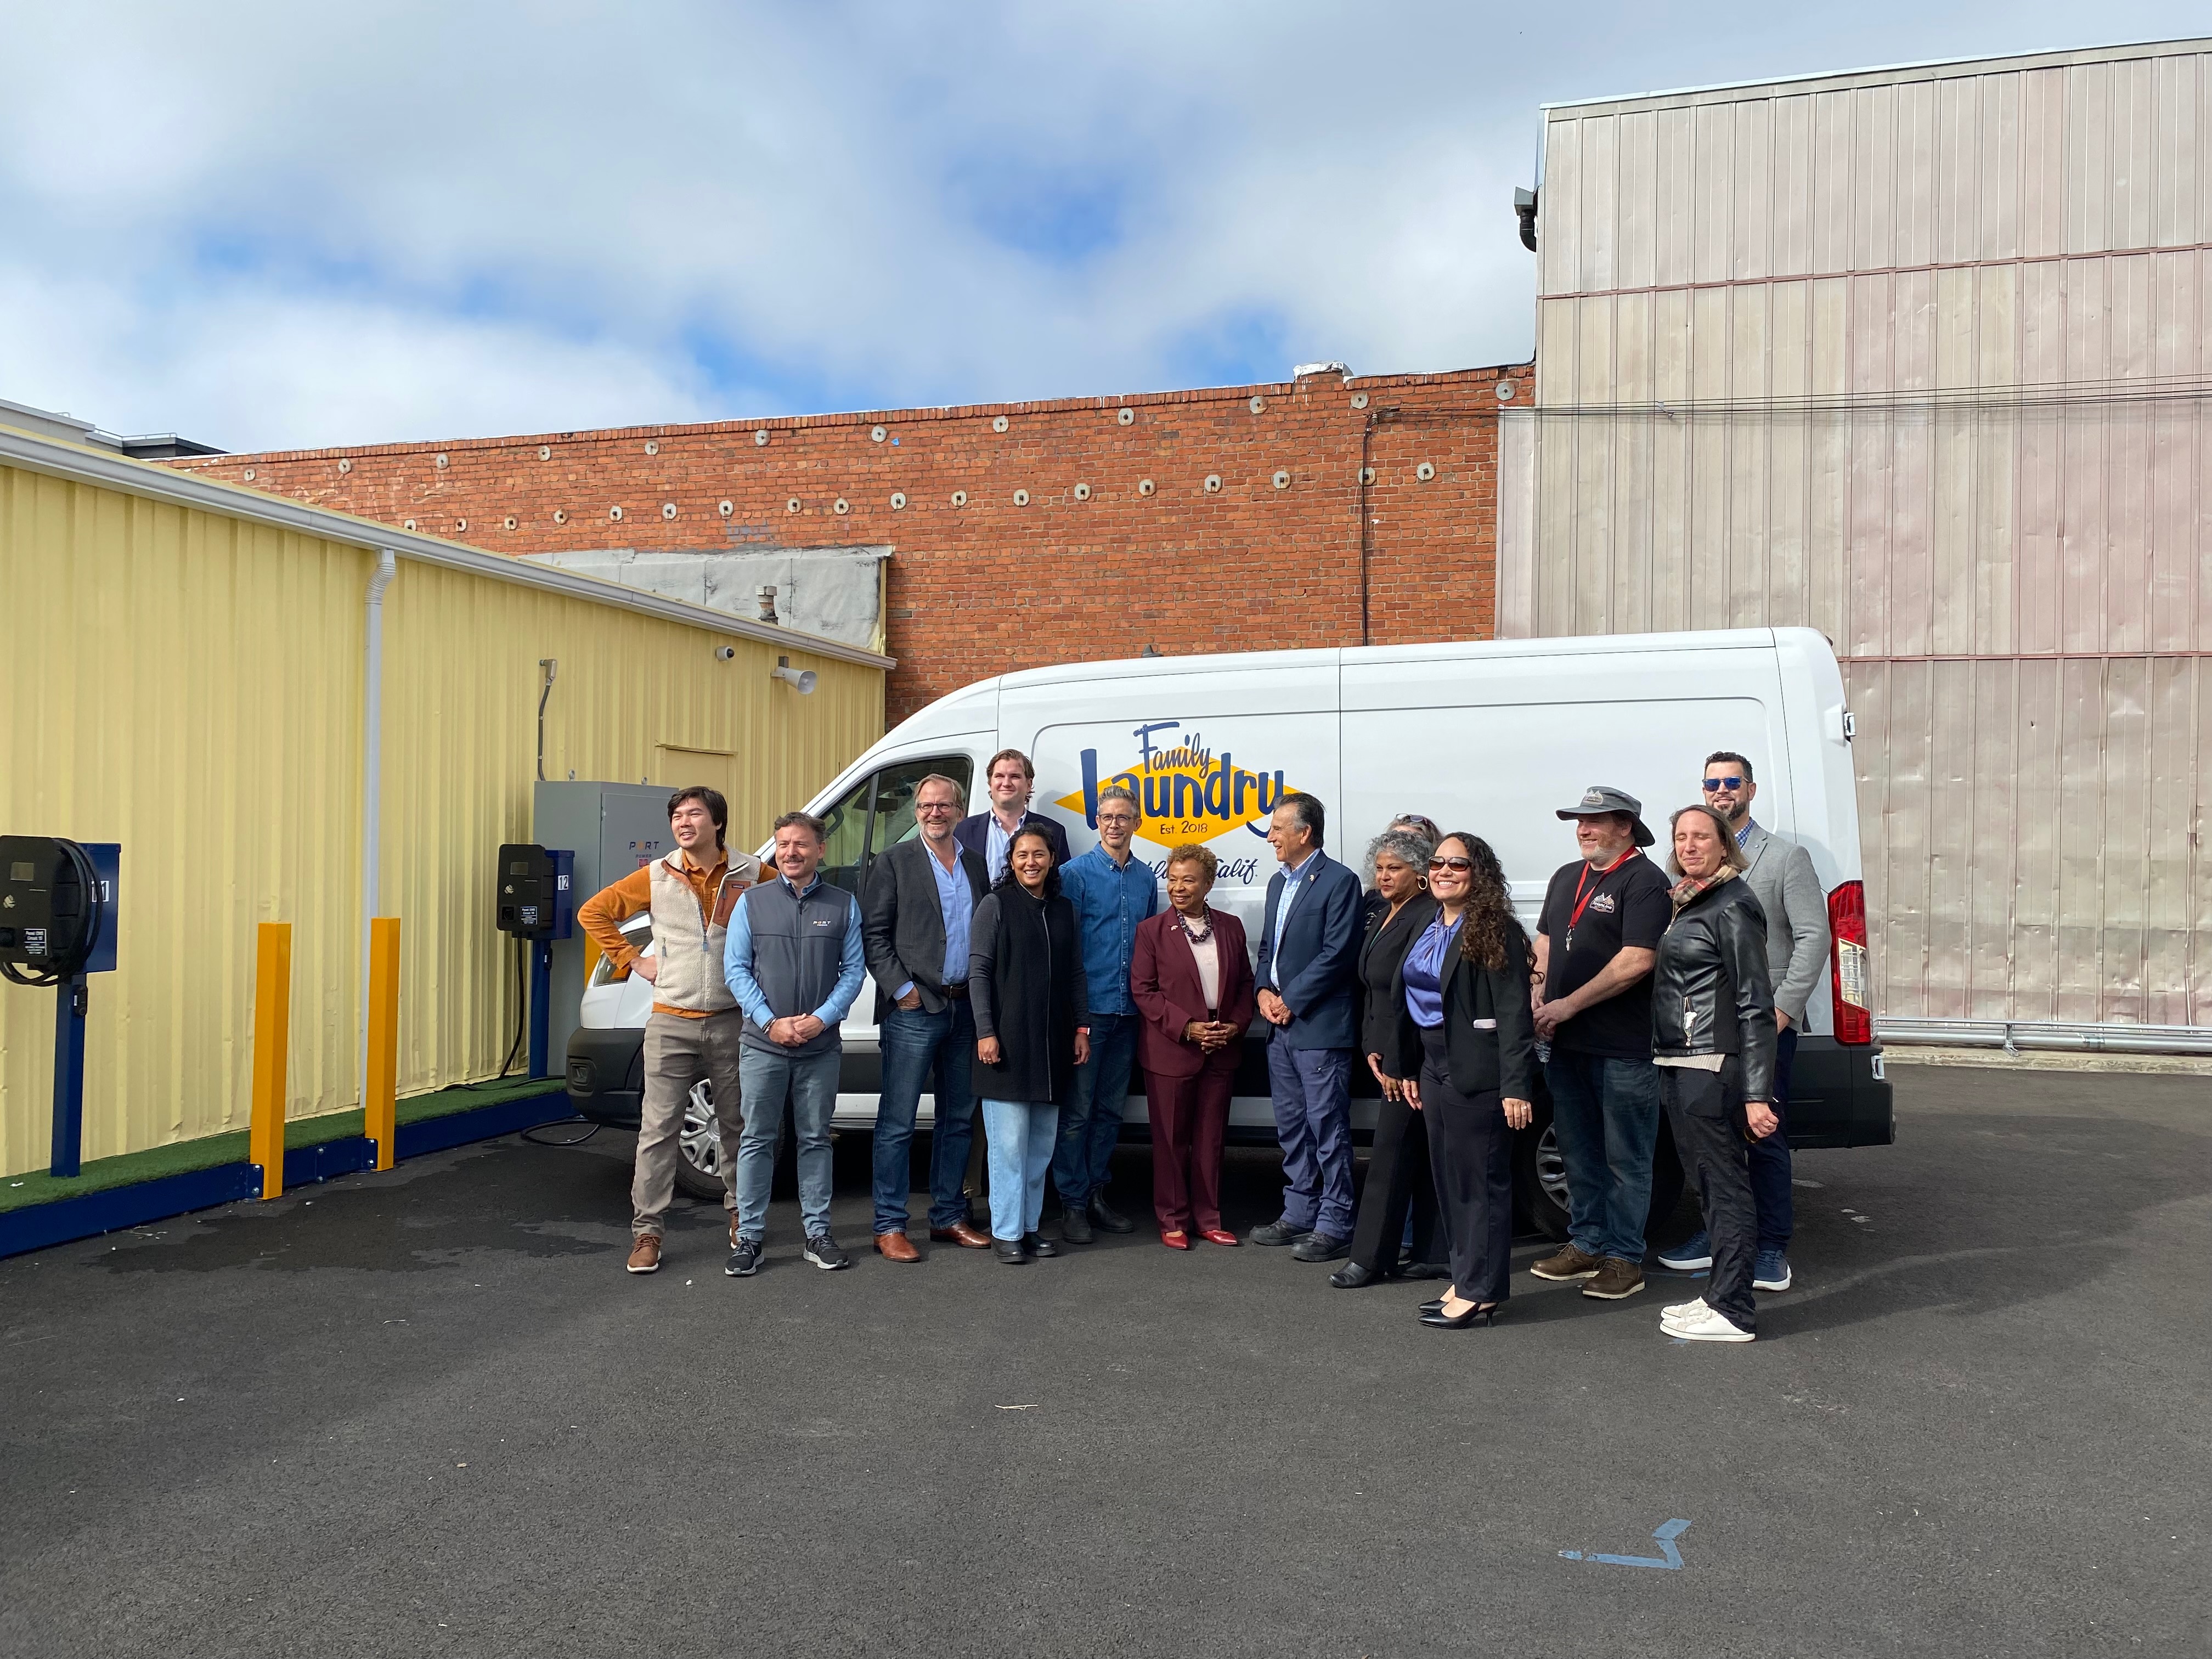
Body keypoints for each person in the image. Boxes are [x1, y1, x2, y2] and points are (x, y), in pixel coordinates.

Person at [1659, 753, 1830, 1293]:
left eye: (1732, 781)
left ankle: (1771, 1247)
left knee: (1763, 1135)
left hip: (1763, 1026)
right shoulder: (1687, 874)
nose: (1722, 790)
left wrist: (1783, 1009)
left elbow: (1814, 936)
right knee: (1715, 1143)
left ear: (1750, 790)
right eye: (1712, 782)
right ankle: (1719, 1236)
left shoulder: (1785, 858)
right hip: (1709, 1034)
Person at [576, 786, 761, 1276]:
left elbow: (788, 909)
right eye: (677, 815)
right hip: (670, 1019)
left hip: (732, 1018)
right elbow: (592, 912)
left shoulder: (751, 872)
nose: (683, 822)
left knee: (737, 1125)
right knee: (658, 1131)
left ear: (717, 822)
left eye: (694, 814)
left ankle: (742, 1219)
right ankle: (647, 1233)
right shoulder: (656, 875)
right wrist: (632, 960)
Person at [1529, 785, 1673, 1303]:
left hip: (1623, 1050)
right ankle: (1587, 1244)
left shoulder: (1646, 881)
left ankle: (1625, 1259)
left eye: (1594, 821)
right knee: (1577, 1151)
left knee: (1626, 1159)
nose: (1583, 830)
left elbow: (1637, 961)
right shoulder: (1566, 876)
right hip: (1567, 1047)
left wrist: (1567, 1005)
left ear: (1626, 826)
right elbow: (1546, 942)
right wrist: (1537, 990)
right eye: (1579, 822)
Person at [1650, 803, 1780, 1343]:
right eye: (1681, 837)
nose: (1689, 846)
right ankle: (1718, 1296)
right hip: (1682, 1060)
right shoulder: (1692, 902)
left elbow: (1755, 1003)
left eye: (1701, 837)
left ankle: (1734, 1310)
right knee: (1708, 1188)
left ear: (1724, 844)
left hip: (1710, 1066)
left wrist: (1757, 1093)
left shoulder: (1733, 904)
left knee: (1725, 1189)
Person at [1397, 834, 1537, 1328]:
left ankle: (1482, 1291)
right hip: (1433, 1065)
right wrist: (1407, 1064)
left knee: (1481, 1184)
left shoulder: (1496, 929)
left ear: (1479, 873)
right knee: (1449, 1179)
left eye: (1457, 864)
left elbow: (1514, 1012)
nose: (1444, 871)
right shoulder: (1428, 923)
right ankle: (1466, 1276)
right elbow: (1406, 998)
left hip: (1479, 1070)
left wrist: (1516, 1086)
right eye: (1437, 862)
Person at [722, 811, 868, 1277]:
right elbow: (735, 970)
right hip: (763, 1045)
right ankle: (750, 1238)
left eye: (801, 844)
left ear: (820, 850)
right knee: (757, 1139)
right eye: (783, 844)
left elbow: (854, 971)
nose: (791, 852)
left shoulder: (844, 904)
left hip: (819, 1047)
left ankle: (818, 1234)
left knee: (816, 1140)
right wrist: (770, 1023)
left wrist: (822, 1019)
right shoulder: (751, 903)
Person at [859, 772, 994, 1260]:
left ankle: (948, 1216)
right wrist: (903, 990)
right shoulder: (894, 861)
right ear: (916, 811)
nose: (934, 813)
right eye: (925, 806)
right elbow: (874, 934)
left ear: (959, 811)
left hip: (966, 1008)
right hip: (915, 1010)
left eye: (943, 805)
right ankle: (889, 1225)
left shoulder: (975, 864)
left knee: (957, 1120)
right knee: (897, 1123)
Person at [1248, 792, 1365, 1261]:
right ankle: (1300, 1212)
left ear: (1305, 832)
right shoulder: (1279, 883)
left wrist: (1290, 1001)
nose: (1270, 836)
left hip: (1318, 1026)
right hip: (1280, 1028)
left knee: (1328, 1127)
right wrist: (1262, 992)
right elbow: (1267, 950)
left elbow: (1338, 954)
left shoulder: (1340, 881)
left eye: (1278, 828)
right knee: (1293, 1126)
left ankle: (1336, 1222)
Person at [969, 826, 1091, 1263]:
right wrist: (986, 1031)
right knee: (1008, 1148)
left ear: (1052, 859)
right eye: (1022, 855)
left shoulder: (1063, 909)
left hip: (1053, 1045)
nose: (1030, 862)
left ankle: (1030, 1227)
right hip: (1006, 1045)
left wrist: (1082, 1028)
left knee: (1039, 1149)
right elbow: (979, 972)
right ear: (1011, 860)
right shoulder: (996, 905)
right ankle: (1006, 1233)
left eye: (1039, 854)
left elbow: (1075, 973)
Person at [1331, 825, 1443, 1289]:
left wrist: (1399, 1063)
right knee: (1423, 1152)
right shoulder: (1382, 912)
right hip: (1386, 1051)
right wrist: (1369, 1044)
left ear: (1420, 874)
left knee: (1389, 1156)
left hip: (1412, 1057)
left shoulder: (1427, 915)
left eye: (1394, 868)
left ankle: (1370, 1257)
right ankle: (1434, 1254)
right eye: (1379, 868)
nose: (1383, 876)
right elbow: (1371, 988)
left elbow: (1413, 994)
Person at [1130, 844, 1255, 1248]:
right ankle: (1172, 1219)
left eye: (1188, 880)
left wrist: (1234, 1026)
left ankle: (1209, 1218)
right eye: (1172, 879)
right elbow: (1144, 991)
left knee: (1210, 1141)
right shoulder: (1151, 931)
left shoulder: (1231, 927)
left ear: (1208, 884)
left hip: (1221, 1046)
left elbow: (1246, 984)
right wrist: (1188, 1028)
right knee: (1170, 1141)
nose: (1178, 888)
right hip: (1172, 1049)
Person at [1053, 782, 1156, 1242]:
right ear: (1096, 822)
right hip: (1090, 1013)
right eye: (1107, 817)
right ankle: (1072, 1203)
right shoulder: (1074, 874)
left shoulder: (1146, 878)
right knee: (1077, 1113)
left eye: (1123, 817)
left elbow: (1149, 949)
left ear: (1137, 822)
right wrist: (1075, 1017)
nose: (1115, 825)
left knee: (1110, 1113)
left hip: (1128, 1013)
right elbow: (1066, 949)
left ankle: (1097, 1194)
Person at [955, 747, 1071, 883]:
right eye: (999, 776)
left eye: (1015, 776)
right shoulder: (962, 831)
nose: (1006, 783)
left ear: (1029, 785)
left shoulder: (1054, 832)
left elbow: (1062, 885)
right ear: (990, 783)